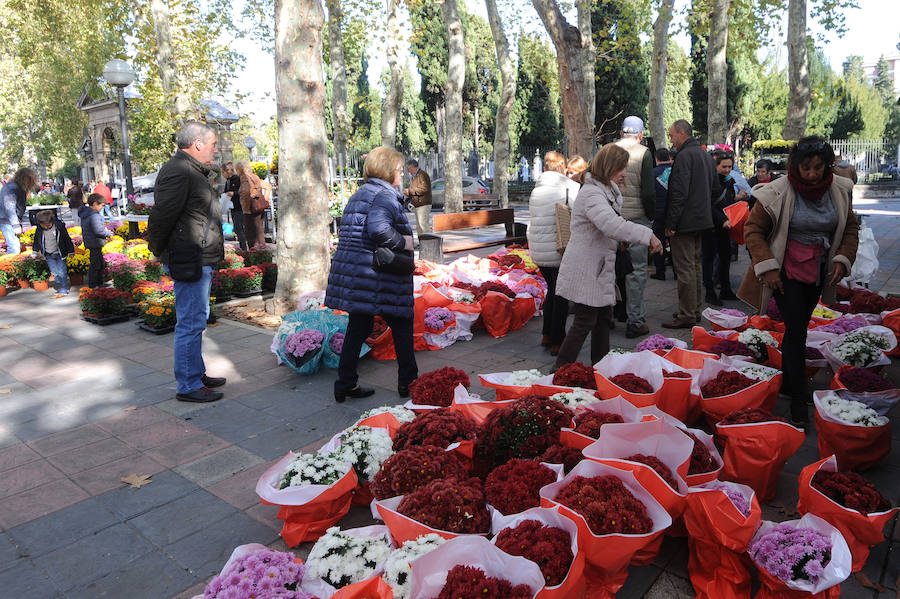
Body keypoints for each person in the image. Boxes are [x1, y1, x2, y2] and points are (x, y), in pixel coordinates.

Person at [739, 137, 859, 427]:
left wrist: (843, 258)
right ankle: (798, 405)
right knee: (796, 331)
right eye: (806, 168)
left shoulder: (840, 190)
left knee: (799, 329)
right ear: (795, 166)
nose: (813, 174)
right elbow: (752, 230)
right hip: (785, 274)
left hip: (819, 272)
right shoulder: (777, 192)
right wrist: (767, 267)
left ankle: (790, 384)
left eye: (819, 167)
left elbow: (851, 227)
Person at [553, 144, 662, 369]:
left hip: (598, 266)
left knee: (602, 319)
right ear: (609, 166)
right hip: (587, 267)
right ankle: (560, 370)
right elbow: (610, 224)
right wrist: (647, 234)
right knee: (585, 320)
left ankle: (600, 367)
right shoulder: (593, 193)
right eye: (621, 168)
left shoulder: (605, 190)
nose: (624, 173)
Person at [325, 146, 418, 403]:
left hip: (360, 275)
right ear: (388, 171)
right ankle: (409, 384)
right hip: (379, 275)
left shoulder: (362, 193)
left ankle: (345, 383)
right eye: (399, 170)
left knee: (358, 326)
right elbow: (379, 231)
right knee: (401, 322)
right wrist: (405, 243)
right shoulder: (384, 196)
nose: (401, 175)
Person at [148, 122, 227, 403]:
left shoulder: (192, 170)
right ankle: (188, 384)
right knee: (190, 323)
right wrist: (157, 249)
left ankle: (195, 372)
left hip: (198, 256)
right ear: (197, 144)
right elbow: (161, 216)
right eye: (213, 144)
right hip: (189, 257)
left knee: (197, 321)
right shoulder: (179, 170)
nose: (216, 149)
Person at [662, 120, 720, 329]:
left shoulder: (685, 156)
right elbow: (715, 189)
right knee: (695, 265)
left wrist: (671, 223)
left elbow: (679, 193)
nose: (671, 140)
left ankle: (687, 314)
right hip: (701, 220)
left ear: (681, 133)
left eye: (672, 135)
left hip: (685, 222)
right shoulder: (705, 155)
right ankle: (693, 310)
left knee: (686, 268)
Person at [526, 151, 582, 355]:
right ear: (563, 168)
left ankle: (546, 333)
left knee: (552, 290)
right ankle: (558, 341)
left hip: (540, 251)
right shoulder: (570, 187)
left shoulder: (536, 191)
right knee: (561, 295)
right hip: (560, 249)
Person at [613, 116, 656, 339]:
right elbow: (648, 192)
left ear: (622, 133)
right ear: (640, 135)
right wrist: (652, 217)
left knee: (608, 268)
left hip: (610, 218)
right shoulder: (644, 153)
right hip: (636, 217)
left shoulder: (608, 150)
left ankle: (606, 317)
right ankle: (635, 321)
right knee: (637, 271)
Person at [702, 150, 740, 305]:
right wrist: (722, 219)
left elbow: (728, 203)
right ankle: (710, 292)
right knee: (709, 260)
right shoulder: (710, 182)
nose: (727, 170)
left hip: (725, 227)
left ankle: (725, 288)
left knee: (725, 258)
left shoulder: (729, 181)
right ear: (716, 166)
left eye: (730, 166)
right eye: (724, 166)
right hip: (711, 226)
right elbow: (708, 205)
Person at [33, 210, 75, 297]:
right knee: (55, 272)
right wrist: (35, 251)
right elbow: (36, 240)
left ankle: (64, 288)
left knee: (62, 272)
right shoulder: (39, 229)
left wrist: (71, 251)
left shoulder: (59, 227)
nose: (46, 227)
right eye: (44, 225)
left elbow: (67, 239)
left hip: (60, 253)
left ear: (52, 221)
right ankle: (60, 287)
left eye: (48, 225)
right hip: (49, 254)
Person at [0, 168, 37, 254]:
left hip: (9, 220)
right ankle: (10, 266)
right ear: (25, 178)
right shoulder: (12, 188)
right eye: (30, 180)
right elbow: (10, 208)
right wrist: (16, 225)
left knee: (15, 245)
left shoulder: (17, 187)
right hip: (7, 221)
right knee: (14, 247)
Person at [79, 193, 111, 288]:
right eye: (102, 205)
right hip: (95, 242)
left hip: (91, 242)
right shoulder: (94, 215)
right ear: (95, 204)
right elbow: (98, 230)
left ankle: (99, 283)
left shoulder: (87, 213)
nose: (102, 208)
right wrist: (108, 233)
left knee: (98, 263)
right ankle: (94, 284)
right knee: (96, 265)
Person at [651, 148, 673, 280]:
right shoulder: (676, 171)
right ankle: (677, 271)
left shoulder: (652, 173)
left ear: (656, 158)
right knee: (674, 242)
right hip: (673, 212)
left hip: (658, 212)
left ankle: (660, 271)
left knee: (658, 240)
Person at [235, 160, 266, 248]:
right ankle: (263, 254)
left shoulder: (244, 177)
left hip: (250, 209)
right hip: (259, 207)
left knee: (251, 235)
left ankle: (255, 257)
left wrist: (245, 208)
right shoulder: (254, 176)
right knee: (260, 233)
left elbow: (245, 192)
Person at [402, 159, 432, 237]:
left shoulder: (422, 175)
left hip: (423, 204)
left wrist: (410, 191)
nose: (408, 171)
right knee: (419, 226)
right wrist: (408, 193)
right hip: (417, 204)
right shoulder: (414, 176)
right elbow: (417, 190)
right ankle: (422, 242)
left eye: (408, 169)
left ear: (412, 167)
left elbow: (425, 189)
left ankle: (429, 243)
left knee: (423, 225)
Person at [222, 161, 247, 250]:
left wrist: (234, 193)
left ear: (228, 171)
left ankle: (244, 248)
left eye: (223, 172)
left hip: (238, 207)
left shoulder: (237, 179)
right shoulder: (227, 181)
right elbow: (225, 191)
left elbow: (242, 192)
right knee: (236, 228)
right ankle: (242, 247)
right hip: (232, 207)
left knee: (239, 229)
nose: (222, 174)